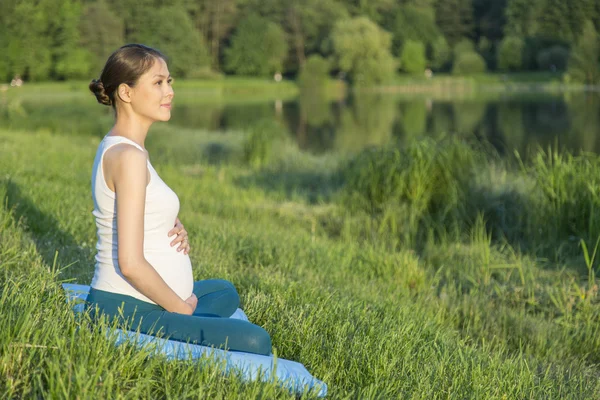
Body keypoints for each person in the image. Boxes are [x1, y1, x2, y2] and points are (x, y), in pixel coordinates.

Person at [85, 44, 271, 355]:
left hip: (154, 300)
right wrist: (181, 309)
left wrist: (169, 222)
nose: (169, 91)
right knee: (256, 341)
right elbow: (129, 264)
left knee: (224, 291)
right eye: (158, 83)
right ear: (127, 93)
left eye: (169, 81)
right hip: (128, 308)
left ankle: (185, 311)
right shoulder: (127, 156)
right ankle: (183, 316)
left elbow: (137, 209)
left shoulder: (127, 148)